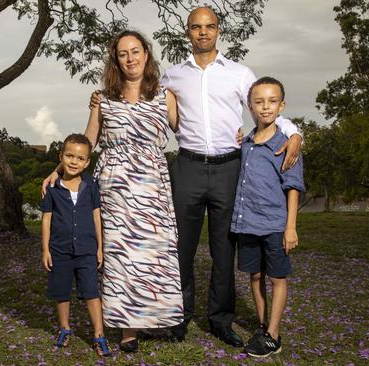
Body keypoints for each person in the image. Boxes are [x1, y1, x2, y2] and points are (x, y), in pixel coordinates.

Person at [161, 6, 303, 347]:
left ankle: (220, 320)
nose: (203, 32)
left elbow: (263, 107)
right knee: (182, 247)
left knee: (224, 249)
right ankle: (178, 318)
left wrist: (295, 133)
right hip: (189, 166)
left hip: (229, 168)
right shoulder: (172, 75)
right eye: (196, 27)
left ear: (218, 30)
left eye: (209, 26)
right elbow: (147, 105)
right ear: (188, 32)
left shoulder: (240, 73)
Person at [43, 30, 184, 353]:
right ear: (116, 60)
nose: (130, 58)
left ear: (146, 54)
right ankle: (127, 328)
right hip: (116, 186)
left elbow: (188, 131)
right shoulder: (102, 98)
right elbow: (88, 141)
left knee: (153, 254)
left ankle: (154, 319)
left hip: (152, 185)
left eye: (135, 51)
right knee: (122, 256)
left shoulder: (166, 96)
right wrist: (59, 169)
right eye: (123, 53)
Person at [231, 76, 304, 358]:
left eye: (272, 101)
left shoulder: (286, 145)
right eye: (259, 102)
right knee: (255, 275)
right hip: (248, 223)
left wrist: (291, 228)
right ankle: (262, 325)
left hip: (275, 225)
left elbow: (293, 188)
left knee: (277, 278)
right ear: (250, 106)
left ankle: (274, 334)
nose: (265, 107)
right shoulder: (246, 144)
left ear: (281, 105)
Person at [40, 133, 111, 358]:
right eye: (69, 156)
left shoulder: (91, 185)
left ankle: (99, 335)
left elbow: (97, 217)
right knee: (62, 292)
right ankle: (65, 329)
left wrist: (100, 247)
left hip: (87, 250)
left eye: (80, 158)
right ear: (60, 157)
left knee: (91, 291)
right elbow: (46, 219)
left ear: (87, 162)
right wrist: (45, 249)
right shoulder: (52, 187)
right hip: (60, 250)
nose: (74, 161)